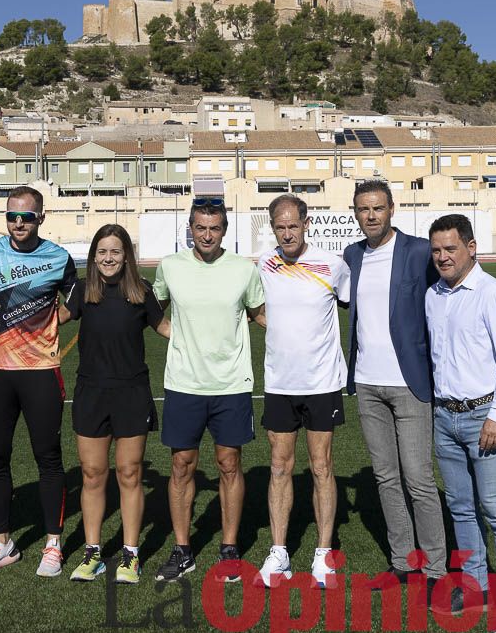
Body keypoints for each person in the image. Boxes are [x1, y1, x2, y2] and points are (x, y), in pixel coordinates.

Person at [426, 214, 496, 633]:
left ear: (471, 247)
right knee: (461, 508)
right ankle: (474, 586)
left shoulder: (494, 295)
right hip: (444, 416)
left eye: (451, 248)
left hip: (484, 418)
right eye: (436, 251)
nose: (443, 257)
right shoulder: (433, 295)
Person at [152, 197, 265, 582]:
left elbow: (258, 313)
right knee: (182, 465)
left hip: (231, 384)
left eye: (214, 228)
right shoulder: (170, 267)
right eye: (200, 227)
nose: (207, 235)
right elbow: (154, 307)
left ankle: (229, 548)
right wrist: (173, 334)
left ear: (225, 231)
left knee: (229, 463)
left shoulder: (243, 270)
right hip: (183, 383)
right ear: (190, 228)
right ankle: (183, 549)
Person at [343, 180, 448, 593]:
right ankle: (402, 562)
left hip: (409, 383)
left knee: (419, 480)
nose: (371, 215)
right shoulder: (352, 255)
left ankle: (437, 569)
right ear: (355, 213)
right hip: (367, 384)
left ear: (392, 209)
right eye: (363, 209)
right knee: (386, 478)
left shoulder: (419, 251)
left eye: (377, 208)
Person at [0, 186, 77, 577]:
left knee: (48, 458)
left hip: (40, 373)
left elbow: (78, 300)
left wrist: (50, 323)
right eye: (12, 216)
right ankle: (2, 542)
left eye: (26, 216)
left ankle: (53, 544)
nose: (18, 223)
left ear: (41, 218)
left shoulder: (58, 257)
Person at [58, 224, 170, 585]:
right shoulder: (82, 291)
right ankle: (93, 552)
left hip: (132, 393)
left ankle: (130, 554)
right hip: (91, 393)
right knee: (92, 475)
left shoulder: (141, 292)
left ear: (126, 257)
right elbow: (54, 318)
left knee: (130, 472)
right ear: (93, 257)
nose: (108, 258)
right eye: (102, 252)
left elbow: (166, 328)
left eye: (116, 252)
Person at [252, 195, 351, 589]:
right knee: (279, 466)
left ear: (306, 223)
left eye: (294, 225)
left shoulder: (333, 265)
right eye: (281, 226)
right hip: (279, 383)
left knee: (322, 466)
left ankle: (323, 555)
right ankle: (279, 553)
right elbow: (252, 308)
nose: (288, 232)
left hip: (322, 383)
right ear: (272, 227)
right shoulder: (264, 264)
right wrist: (278, 333)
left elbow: (352, 306)